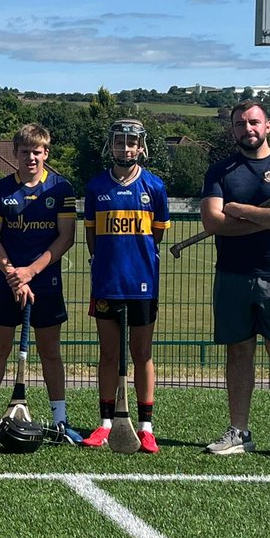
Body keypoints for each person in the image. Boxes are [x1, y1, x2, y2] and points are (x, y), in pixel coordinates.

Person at [201, 100, 270, 462]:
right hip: (233, 275)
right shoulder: (220, 170)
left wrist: (241, 211)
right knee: (239, 353)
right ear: (233, 130)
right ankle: (238, 431)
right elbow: (214, 223)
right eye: (240, 124)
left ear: (269, 125)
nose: (248, 128)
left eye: (254, 122)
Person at [0, 123, 79, 441]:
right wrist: (14, 274)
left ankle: (60, 420)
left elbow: (66, 238)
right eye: (25, 152)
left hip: (44, 281)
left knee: (50, 352)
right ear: (14, 154)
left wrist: (30, 272)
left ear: (46, 153)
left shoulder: (61, 188)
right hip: (6, 281)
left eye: (37, 152)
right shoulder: (0, 190)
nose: (31, 157)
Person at [82, 118, 169, 454]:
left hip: (142, 283)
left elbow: (157, 234)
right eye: (120, 142)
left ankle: (146, 426)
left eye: (131, 142)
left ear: (141, 146)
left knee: (142, 353)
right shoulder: (95, 187)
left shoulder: (154, 187)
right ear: (111, 145)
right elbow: (91, 235)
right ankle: (106, 423)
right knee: (108, 353)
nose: (125, 148)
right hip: (107, 282)